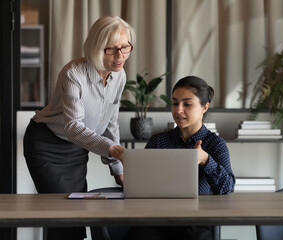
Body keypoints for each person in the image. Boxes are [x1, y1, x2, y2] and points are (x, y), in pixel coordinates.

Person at [23, 16, 135, 240]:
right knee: (62, 217)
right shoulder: (73, 73)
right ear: (96, 47)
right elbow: (74, 127)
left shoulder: (119, 75)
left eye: (125, 47)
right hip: (47, 144)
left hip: (75, 149)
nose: (119, 56)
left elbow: (110, 121)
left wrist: (118, 170)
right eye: (111, 49)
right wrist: (113, 151)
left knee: (77, 213)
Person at [123, 76, 235, 240]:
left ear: (204, 107)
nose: (178, 110)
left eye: (187, 104)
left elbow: (227, 188)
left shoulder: (216, 144)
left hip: (196, 221)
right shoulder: (158, 141)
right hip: (156, 220)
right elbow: (141, 185)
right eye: (175, 103)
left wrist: (206, 160)